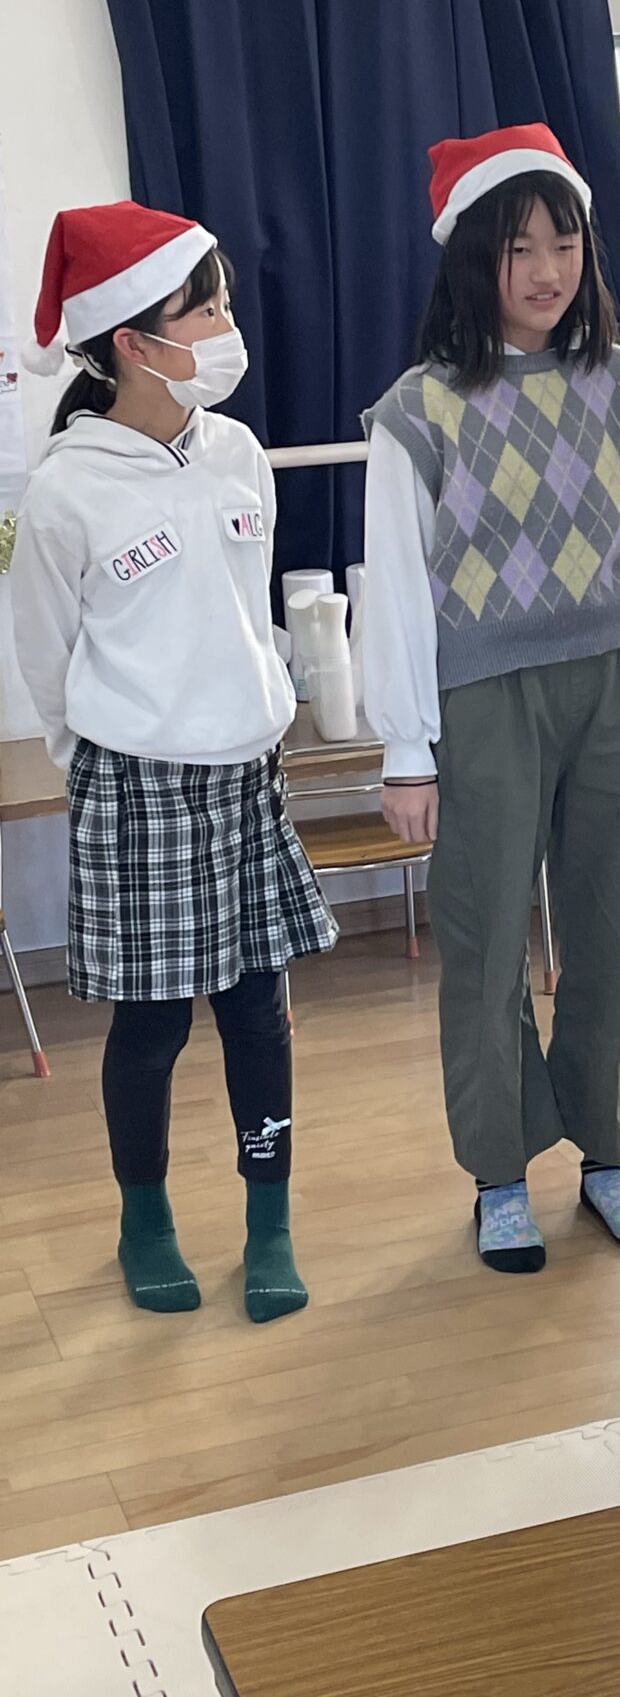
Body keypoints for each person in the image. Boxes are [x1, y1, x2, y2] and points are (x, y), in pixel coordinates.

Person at [362, 124, 620, 1273]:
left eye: (564, 243)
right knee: (482, 944)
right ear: (475, 258)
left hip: (617, 682)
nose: (547, 270)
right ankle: (500, 1173)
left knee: (612, 933)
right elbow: (394, 591)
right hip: (483, 699)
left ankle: (607, 1158)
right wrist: (405, 748)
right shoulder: (417, 411)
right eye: (518, 248)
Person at [11, 202, 336, 1321]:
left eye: (222, 302)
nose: (226, 327)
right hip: (136, 783)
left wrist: (252, 709)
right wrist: (104, 763)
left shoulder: (238, 454)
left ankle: (268, 1223)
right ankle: (144, 1220)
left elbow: (250, 607)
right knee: (150, 1027)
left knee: (259, 1013)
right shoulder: (66, 491)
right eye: (204, 309)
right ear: (131, 342)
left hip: (247, 774)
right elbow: (47, 660)